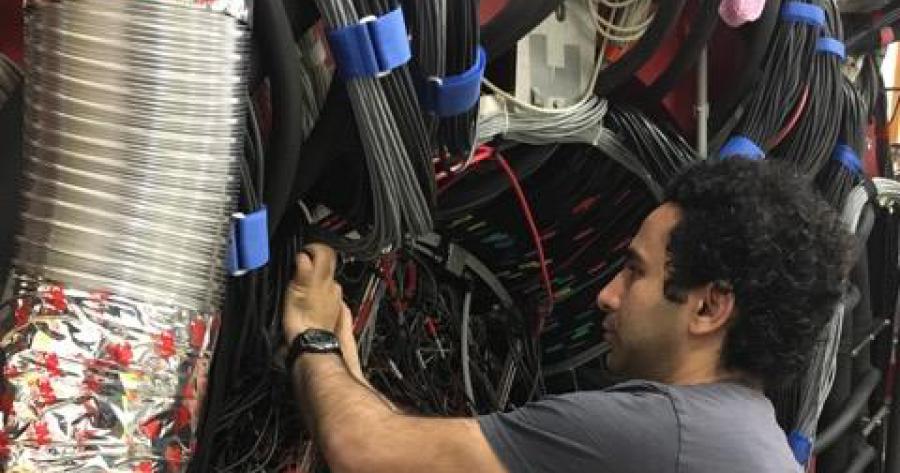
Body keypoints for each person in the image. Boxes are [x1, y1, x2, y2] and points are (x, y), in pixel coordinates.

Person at [282, 159, 855, 473]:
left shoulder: (657, 432)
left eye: (634, 272)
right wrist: (345, 362)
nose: (606, 295)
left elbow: (364, 450)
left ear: (708, 307)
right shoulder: (752, 442)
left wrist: (311, 336)